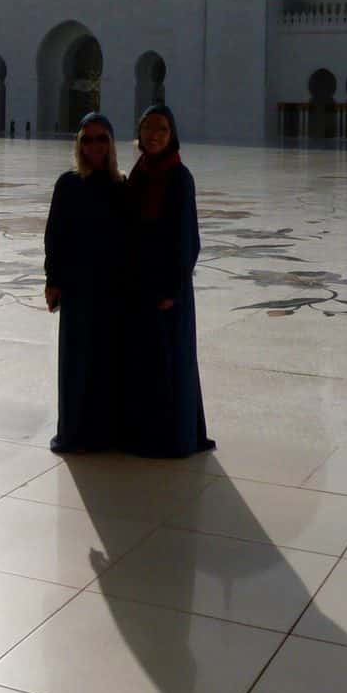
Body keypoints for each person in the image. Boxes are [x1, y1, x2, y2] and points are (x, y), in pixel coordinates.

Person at [123, 104, 215, 457]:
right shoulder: (140, 171)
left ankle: (173, 438)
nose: (154, 135)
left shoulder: (179, 176)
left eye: (161, 129)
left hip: (167, 287)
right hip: (139, 282)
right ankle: (144, 433)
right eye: (148, 128)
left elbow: (188, 240)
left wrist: (171, 288)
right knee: (144, 359)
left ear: (172, 135)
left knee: (170, 360)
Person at [44, 111, 126, 453]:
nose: (95, 146)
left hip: (112, 288)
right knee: (77, 360)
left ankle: (107, 432)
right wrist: (53, 280)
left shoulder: (121, 185)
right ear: (79, 144)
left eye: (102, 138)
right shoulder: (68, 183)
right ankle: (76, 432)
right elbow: (55, 235)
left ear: (111, 143)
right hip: (78, 287)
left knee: (108, 360)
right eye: (88, 139)